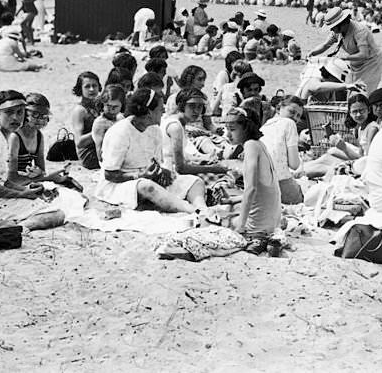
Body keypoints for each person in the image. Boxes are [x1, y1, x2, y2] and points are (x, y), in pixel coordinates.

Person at [94, 88, 213, 218]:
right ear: (149, 112)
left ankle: (201, 207)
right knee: (147, 186)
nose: (163, 111)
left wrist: (162, 173)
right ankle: (193, 211)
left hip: (147, 178)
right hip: (118, 185)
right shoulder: (120, 132)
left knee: (195, 181)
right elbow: (109, 174)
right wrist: (139, 175)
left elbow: (155, 163)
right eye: (160, 108)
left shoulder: (155, 130)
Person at [0, 90, 64, 230]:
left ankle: (13, 224)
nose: (15, 118)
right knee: (57, 214)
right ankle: (17, 229)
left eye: (20, 112)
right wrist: (22, 194)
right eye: (9, 112)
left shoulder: (4, 136)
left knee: (45, 204)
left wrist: (26, 191)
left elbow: (4, 180)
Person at [228, 106, 281, 254]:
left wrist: (241, 226)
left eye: (232, 129)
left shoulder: (250, 146)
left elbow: (251, 189)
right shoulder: (260, 145)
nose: (227, 134)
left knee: (211, 218)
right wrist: (235, 200)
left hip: (257, 227)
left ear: (246, 128)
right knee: (231, 207)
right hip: (272, 223)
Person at [308, 6, 382, 92]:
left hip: (371, 63)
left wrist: (344, 58)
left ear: (343, 23)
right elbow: (326, 45)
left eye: (333, 27)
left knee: (365, 91)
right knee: (352, 88)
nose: (332, 29)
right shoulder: (337, 31)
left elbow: (364, 54)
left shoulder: (359, 31)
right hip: (355, 63)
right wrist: (312, 53)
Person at [260, 95, 305, 204]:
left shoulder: (264, 127)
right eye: (292, 112)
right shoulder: (289, 123)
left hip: (260, 184)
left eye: (298, 116)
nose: (295, 117)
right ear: (279, 108)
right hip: (280, 183)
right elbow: (294, 165)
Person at [70, 72, 103, 169]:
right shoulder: (80, 110)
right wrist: (99, 130)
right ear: (80, 89)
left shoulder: (99, 105)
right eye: (87, 86)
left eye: (94, 86)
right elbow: (79, 142)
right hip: (89, 155)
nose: (91, 89)